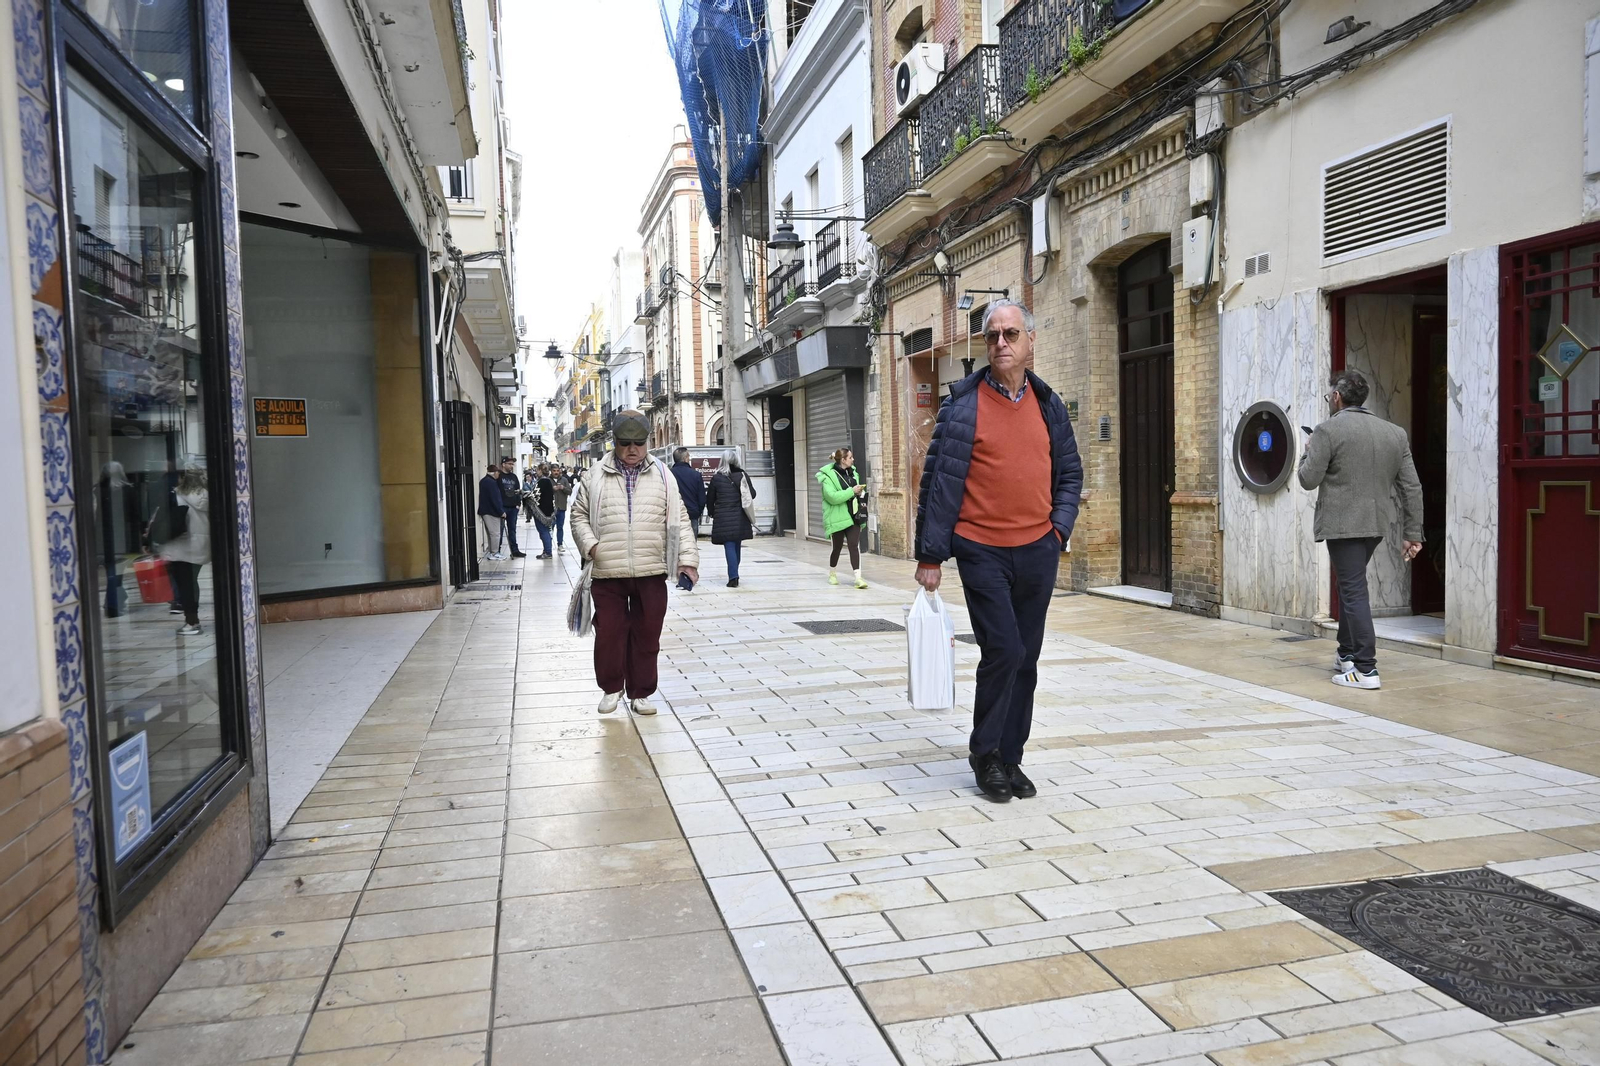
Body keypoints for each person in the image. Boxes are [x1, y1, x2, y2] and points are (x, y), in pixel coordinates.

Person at [914, 299, 1082, 803]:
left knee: (1026, 658)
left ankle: (1012, 758)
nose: (1001, 344)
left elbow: (1070, 473)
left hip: (1037, 549)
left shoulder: (1048, 404)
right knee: (1003, 650)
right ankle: (985, 754)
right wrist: (930, 556)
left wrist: (1058, 531)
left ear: (1031, 342)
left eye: (1010, 335)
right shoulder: (962, 405)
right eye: (993, 336)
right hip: (981, 549)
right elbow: (938, 484)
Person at [1298, 368, 1423, 691]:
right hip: (1376, 525)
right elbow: (1411, 487)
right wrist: (1413, 532)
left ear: (1337, 397)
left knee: (1353, 592)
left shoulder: (1327, 431)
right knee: (1349, 586)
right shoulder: (1394, 433)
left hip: (1343, 525)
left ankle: (1365, 669)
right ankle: (1346, 654)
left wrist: (1309, 450)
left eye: (1330, 397)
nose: (1330, 401)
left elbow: (1307, 479)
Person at [570, 410, 699, 716]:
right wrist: (592, 546)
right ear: (614, 442)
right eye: (625, 442)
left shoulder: (664, 477)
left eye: (638, 443)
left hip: (651, 570)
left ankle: (641, 692)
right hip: (607, 570)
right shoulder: (594, 475)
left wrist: (688, 560)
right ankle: (612, 688)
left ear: (647, 442)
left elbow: (679, 520)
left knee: (647, 634)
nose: (632, 449)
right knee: (610, 634)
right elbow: (577, 515)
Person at [161, 469, 211, 637]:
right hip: (200, 546)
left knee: (184, 585)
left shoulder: (177, 495)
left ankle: (192, 621)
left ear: (183, 479)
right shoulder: (207, 496)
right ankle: (192, 619)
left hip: (181, 546)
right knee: (192, 582)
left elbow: (169, 522)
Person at [817, 447, 869, 589]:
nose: (853, 460)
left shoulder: (853, 473)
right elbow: (832, 497)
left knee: (854, 545)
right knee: (837, 547)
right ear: (843, 460)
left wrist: (859, 493)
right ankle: (832, 573)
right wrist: (851, 491)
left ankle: (858, 578)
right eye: (850, 457)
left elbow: (853, 493)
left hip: (853, 515)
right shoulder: (827, 477)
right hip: (837, 516)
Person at [706, 450, 754, 588]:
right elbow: (753, 494)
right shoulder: (743, 475)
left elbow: (710, 499)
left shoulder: (717, 478)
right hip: (740, 516)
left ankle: (733, 576)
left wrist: (711, 512)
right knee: (736, 544)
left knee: (729, 545)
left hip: (723, 516)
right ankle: (734, 573)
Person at [671, 447, 707, 537]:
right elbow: (702, 498)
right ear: (685, 458)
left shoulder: (669, 474)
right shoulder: (696, 475)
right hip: (692, 515)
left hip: (673, 515)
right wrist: (698, 512)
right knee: (691, 546)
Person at [477, 463, 506, 560]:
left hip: (485, 511)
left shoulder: (484, 481)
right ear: (495, 473)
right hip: (492, 512)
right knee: (495, 533)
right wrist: (501, 511)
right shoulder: (491, 483)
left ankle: (491, 551)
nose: (499, 475)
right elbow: (495, 499)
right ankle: (494, 552)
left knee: (491, 533)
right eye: (498, 473)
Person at [528, 464, 556, 559]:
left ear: (540, 470)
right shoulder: (548, 481)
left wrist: (524, 495)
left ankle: (548, 552)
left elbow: (534, 495)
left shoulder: (542, 482)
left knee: (543, 531)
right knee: (546, 531)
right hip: (548, 510)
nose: (536, 472)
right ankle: (547, 550)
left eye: (537, 470)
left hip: (541, 511)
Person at [552, 466, 572, 551]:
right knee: (550, 527)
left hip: (561, 507)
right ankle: (548, 545)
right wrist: (552, 489)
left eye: (557, 471)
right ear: (551, 471)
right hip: (551, 508)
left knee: (560, 527)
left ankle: (560, 544)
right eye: (554, 471)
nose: (556, 472)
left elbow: (570, 491)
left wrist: (563, 488)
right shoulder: (548, 480)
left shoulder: (564, 480)